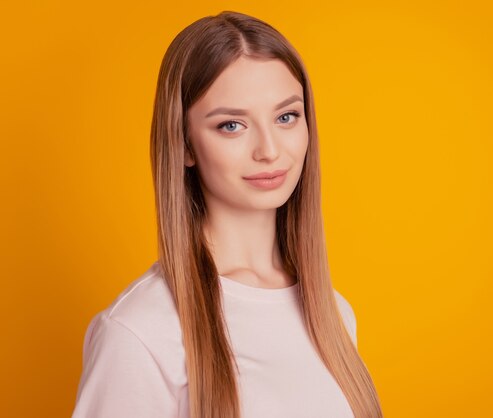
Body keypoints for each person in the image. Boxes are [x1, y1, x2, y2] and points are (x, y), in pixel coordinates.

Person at [71, 10, 383, 418]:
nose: (269, 150)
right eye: (232, 125)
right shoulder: (141, 331)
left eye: (286, 116)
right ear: (183, 145)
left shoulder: (334, 315)